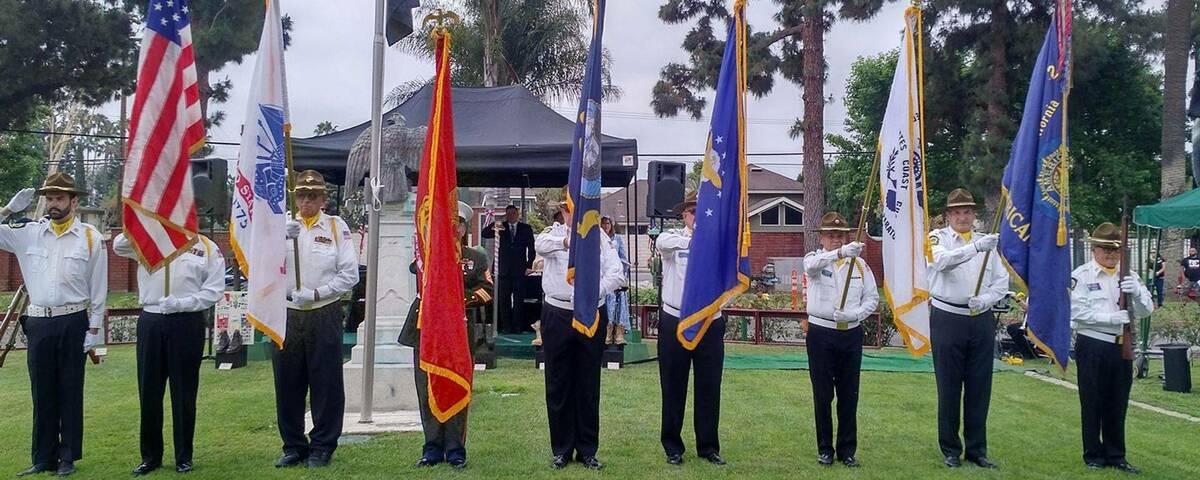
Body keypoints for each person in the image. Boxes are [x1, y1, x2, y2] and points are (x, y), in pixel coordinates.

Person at [0, 174, 107, 477]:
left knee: (70, 389)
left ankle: (67, 457)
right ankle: (43, 457)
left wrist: (94, 330)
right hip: (38, 321)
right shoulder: (28, 233)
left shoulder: (90, 237)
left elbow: (99, 289)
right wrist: (7, 211)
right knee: (42, 391)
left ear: (74, 201)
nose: (53, 204)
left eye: (60, 198)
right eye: (49, 198)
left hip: (73, 319)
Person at [113, 232, 225, 475]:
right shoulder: (150, 238)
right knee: (149, 391)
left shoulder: (205, 247)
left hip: (186, 321)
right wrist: (142, 221)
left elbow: (214, 290)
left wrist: (183, 303)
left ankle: (184, 456)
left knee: (184, 392)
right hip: (152, 319)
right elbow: (119, 246)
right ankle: (150, 456)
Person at [273, 170, 360, 468]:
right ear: (295, 197)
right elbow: (258, 267)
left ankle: (323, 445)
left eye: (313, 196)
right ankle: (293, 446)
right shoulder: (280, 225)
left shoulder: (336, 227)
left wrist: (317, 293)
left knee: (326, 381)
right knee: (287, 381)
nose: (307, 201)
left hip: (323, 311)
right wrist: (277, 239)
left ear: (324, 199)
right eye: (301, 195)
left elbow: (349, 273)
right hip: (286, 313)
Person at [398, 202, 492, 469]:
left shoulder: (475, 257)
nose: (453, 229)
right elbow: (417, 274)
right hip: (426, 330)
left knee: (457, 384)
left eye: (457, 224)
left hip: (458, 330)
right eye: (447, 225)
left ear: (463, 228)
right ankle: (431, 447)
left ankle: (455, 448)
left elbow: (487, 290)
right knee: (426, 388)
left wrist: (455, 299)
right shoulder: (427, 256)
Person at [535, 197, 625, 470]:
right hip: (557, 313)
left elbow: (617, 274)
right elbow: (539, 247)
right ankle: (561, 449)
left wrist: (591, 291)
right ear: (562, 212)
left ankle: (587, 449)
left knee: (587, 383)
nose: (570, 214)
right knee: (558, 382)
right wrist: (566, 243)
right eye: (566, 209)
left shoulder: (598, 236)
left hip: (590, 312)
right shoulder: (553, 234)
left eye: (575, 210)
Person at [926, 188, 1008, 469]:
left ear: (974, 215)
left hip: (980, 319)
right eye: (957, 212)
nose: (963, 217)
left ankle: (977, 449)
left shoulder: (987, 242)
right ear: (948, 215)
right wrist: (974, 248)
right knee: (949, 387)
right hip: (948, 318)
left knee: (979, 386)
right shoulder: (938, 238)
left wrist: (985, 299)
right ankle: (950, 448)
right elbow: (941, 262)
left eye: (967, 212)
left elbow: (1001, 283)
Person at [1070, 222, 1153, 474]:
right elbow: (1075, 312)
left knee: (1117, 403)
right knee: (1092, 401)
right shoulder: (1082, 275)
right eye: (1105, 249)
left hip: (1121, 346)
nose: (1110, 254)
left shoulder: (1129, 275)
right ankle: (1093, 454)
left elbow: (1146, 310)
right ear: (1094, 249)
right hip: (1093, 343)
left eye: (1115, 250)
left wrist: (1137, 292)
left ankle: (1117, 455)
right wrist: (1109, 319)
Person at [655, 192, 728, 466]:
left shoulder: (721, 242)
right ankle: (672, 445)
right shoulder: (673, 238)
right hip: (676, 320)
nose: (698, 215)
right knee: (673, 385)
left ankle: (708, 446)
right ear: (684, 215)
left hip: (709, 321)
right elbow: (662, 243)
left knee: (709, 385)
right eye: (693, 211)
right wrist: (696, 239)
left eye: (703, 210)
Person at [802, 212, 877, 468]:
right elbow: (810, 268)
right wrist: (841, 253)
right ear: (822, 238)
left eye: (840, 235)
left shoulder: (860, 266)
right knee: (822, 394)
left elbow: (872, 299)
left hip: (850, 333)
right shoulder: (816, 259)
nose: (836, 239)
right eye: (831, 235)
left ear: (847, 236)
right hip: (821, 333)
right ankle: (825, 448)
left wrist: (854, 314)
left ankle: (847, 450)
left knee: (849, 394)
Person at [481, 205, 536, 333]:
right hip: (503, 269)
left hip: (519, 269)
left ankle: (518, 327)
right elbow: (485, 233)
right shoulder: (500, 227)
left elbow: (532, 249)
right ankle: (505, 327)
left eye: (513, 213)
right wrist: (495, 223)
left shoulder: (525, 228)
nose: (511, 216)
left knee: (518, 300)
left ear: (517, 214)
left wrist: (529, 265)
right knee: (503, 300)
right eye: (509, 214)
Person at [601, 216, 631, 345]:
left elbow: (623, 257)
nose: (606, 226)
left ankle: (619, 332)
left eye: (607, 223)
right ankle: (607, 331)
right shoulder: (599, 239)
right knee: (607, 303)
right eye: (603, 224)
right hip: (604, 277)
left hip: (616, 276)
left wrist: (622, 270)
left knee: (620, 301)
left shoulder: (617, 239)